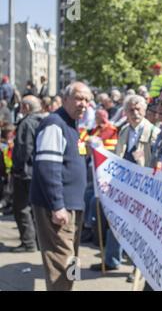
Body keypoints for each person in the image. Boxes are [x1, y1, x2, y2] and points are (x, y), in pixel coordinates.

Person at [30, 82, 91, 291]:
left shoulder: (72, 124)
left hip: (74, 205)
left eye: (87, 100)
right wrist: (57, 206)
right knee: (61, 262)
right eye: (78, 98)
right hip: (58, 207)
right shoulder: (54, 124)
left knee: (72, 260)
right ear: (64, 99)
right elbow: (47, 168)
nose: (83, 104)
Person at [90, 95, 160, 272]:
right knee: (116, 222)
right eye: (131, 109)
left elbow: (157, 164)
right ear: (125, 111)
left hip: (144, 190)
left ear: (144, 110)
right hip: (123, 188)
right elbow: (116, 156)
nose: (135, 113)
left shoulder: (154, 133)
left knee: (140, 231)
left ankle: (139, 270)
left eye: (138, 109)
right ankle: (112, 260)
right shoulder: (123, 132)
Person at [10, 96, 45, 252]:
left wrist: (17, 169)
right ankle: (37, 240)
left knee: (22, 207)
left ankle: (28, 242)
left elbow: (23, 149)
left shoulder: (27, 123)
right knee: (35, 208)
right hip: (39, 171)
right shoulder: (45, 121)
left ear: (26, 108)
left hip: (26, 172)